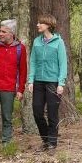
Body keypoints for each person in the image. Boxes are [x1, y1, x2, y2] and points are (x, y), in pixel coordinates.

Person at [28, 14, 67, 150]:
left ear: (48, 25)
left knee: (52, 114)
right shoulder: (36, 42)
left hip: (53, 83)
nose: (38, 25)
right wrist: (30, 80)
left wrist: (61, 83)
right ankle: (45, 140)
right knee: (37, 112)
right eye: (38, 23)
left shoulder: (58, 42)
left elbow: (63, 64)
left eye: (41, 23)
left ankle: (52, 143)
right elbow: (32, 62)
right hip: (38, 82)